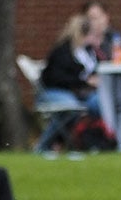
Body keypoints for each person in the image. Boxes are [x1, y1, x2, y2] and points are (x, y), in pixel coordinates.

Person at [35, 15, 101, 155]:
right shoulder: (62, 51)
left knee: (99, 103)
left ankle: (95, 141)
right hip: (53, 92)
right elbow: (56, 78)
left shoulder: (87, 53)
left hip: (77, 93)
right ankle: (43, 145)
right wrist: (85, 82)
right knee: (70, 108)